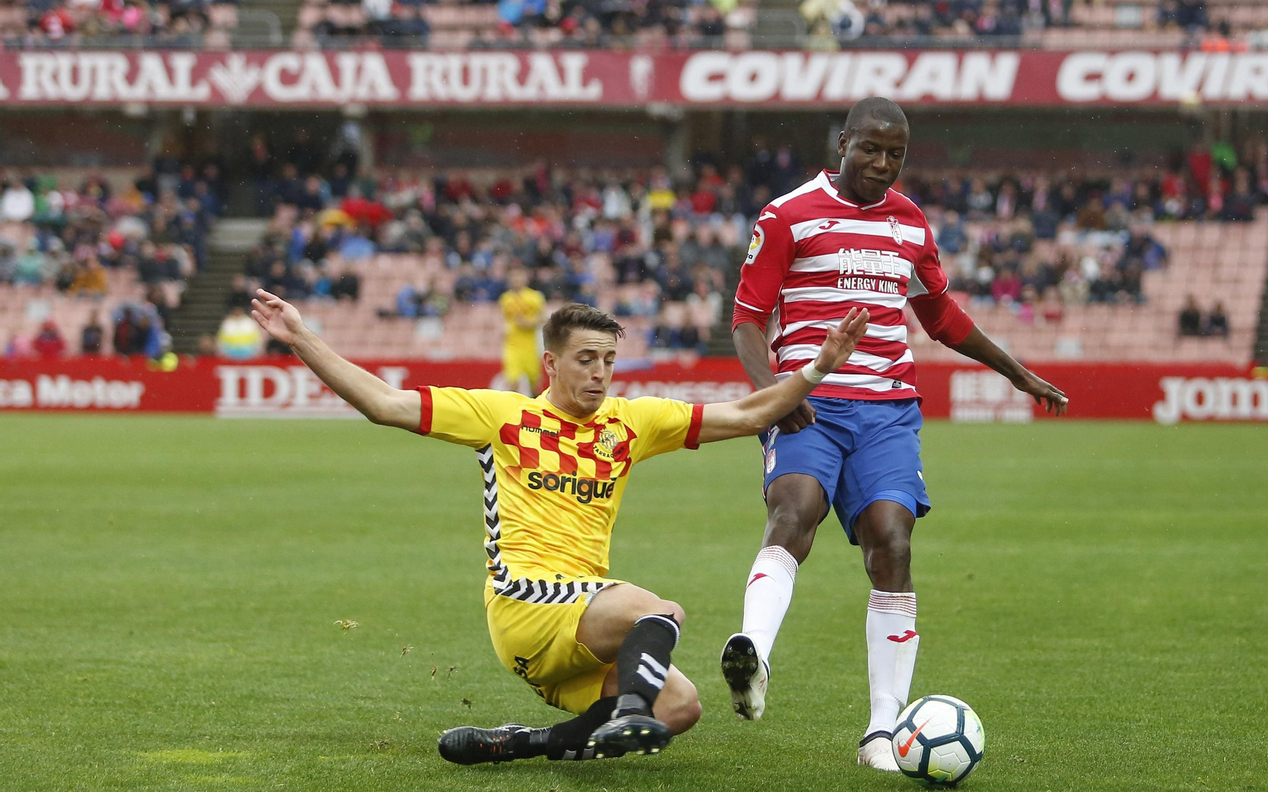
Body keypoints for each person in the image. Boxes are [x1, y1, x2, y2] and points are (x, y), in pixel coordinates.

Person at [248, 289, 869, 764]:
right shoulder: (503, 417)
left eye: (608, 361)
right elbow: (384, 403)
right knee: (661, 612)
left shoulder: (632, 423)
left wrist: (817, 368)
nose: (600, 374)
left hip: (582, 626)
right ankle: (627, 710)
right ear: (551, 363)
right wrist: (300, 337)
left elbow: (748, 413)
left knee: (682, 707)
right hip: (523, 602)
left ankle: (527, 743)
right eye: (585, 360)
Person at [723, 97, 1069, 771]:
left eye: (896, 154)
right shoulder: (788, 214)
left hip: (887, 409)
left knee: (892, 540)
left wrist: (1017, 372)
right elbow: (746, 319)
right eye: (871, 149)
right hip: (810, 402)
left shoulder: (910, 223)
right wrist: (774, 395)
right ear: (843, 142)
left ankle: (883, 732)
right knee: (795, 509)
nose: (883, 164)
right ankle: (755, 653)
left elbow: (939, 315)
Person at [498, 265, 545, 395]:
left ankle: (536, 407)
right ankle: (515, 411)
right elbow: (503, 319)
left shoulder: (535, 297)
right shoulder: (505, 299)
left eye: (519, 276)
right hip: (512, 345)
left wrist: (529, 323)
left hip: (530, 346)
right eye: (514, 276)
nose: (516, 279)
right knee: (513, 381)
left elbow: (543, 318)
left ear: (525, 278)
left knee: (534, 382)